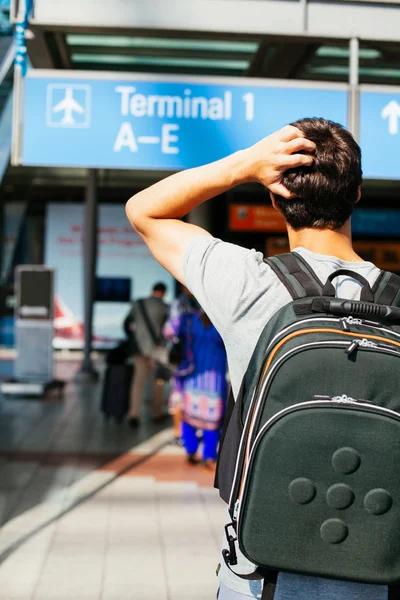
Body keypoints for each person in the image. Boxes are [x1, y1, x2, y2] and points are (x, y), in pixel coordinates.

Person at [125, 119, 387, 600]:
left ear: (274, 199)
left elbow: (144, 212)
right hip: (379, 562)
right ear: (356, 195)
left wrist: (244, 164)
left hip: (264, 570)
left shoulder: (248, 284)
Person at [163, 308, 227, 466]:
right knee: (213, 418)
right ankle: (209, 455)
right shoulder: (222, 320)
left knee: (188, 414)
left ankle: (191, 451)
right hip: (214, 379)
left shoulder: (189, 319)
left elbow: (168, 331)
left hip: (192, 375)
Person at [124, 282, 169, 427]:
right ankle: (156, 414)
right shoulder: (164, 307)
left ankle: (133, 414)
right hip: (156, 351)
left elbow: (126, 324)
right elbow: (168, 331)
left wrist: (134, 339)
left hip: (139, 349)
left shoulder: (138, 304)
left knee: (138, 383)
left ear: (152, 290)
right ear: (163, 293)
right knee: (157, 382)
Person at [164, 285, 199, 443]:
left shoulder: (179, 304)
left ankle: (180, 434)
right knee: (188, 396)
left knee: (180, 396)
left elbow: (170, 331)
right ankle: (182, 433)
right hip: (196, 357)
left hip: (186, 358)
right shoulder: (201, 303)